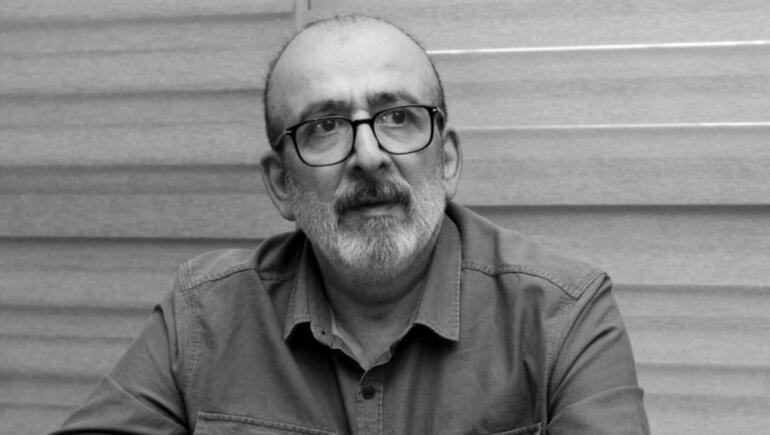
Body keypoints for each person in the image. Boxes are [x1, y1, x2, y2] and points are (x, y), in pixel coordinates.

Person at [54, 15, 649, 434]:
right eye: (324, 127)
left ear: (446, 160)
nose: (368, 156)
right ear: (282, 184)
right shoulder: (203, 314)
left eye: (398, 117)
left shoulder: (563, 313)